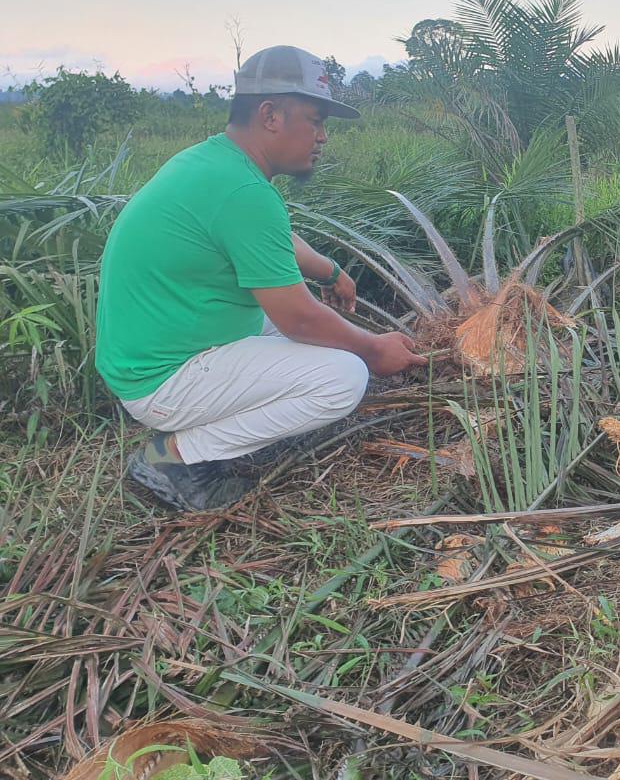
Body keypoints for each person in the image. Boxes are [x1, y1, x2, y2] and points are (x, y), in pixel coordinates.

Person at [96, 45, 429, 511]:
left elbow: (277, 238)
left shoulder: (215, 163)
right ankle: (172, 457)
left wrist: (331, 271)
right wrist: (374, 351)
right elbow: (300, 320)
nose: (322, 137)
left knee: (331, 340)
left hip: (159, 347)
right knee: (343, 376)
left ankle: (190, 430)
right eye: (315, 120)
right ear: (271, 115)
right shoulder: (243, 191)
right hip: (160, 378)